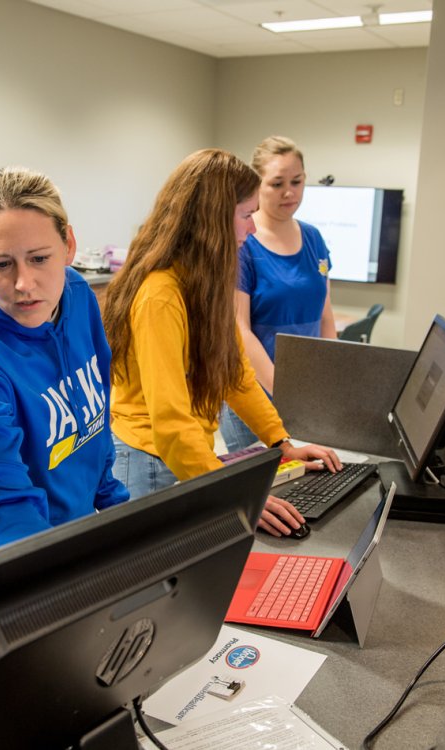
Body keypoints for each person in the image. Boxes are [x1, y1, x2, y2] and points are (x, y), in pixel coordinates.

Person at [103, 148, 342, 537]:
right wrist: (237, 495)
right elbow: (170, 422)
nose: (251, 228)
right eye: (246, 215)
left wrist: (281, 443)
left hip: (182, 451)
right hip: (147, 460)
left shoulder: (205, 281)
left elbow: (236, 375)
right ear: (213, 219)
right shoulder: (161, 295)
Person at [0, 167, 129, 554]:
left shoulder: (75, 293)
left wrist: (113, 505)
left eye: (39, 259)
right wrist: (44, 575)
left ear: (68, 244)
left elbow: (96, 420)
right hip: (13, 557)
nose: (24, 284)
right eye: (1, 264)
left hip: (74, 531)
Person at [220, 135, 337, 453]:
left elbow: (325, 318)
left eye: (297, 181)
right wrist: (285, 394)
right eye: (276, 184)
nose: (289, 192)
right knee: (263, 496)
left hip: (305, 396)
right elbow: (239, 331)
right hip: (255, 395)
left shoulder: (314, 238)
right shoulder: (244, 241)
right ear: (256, 186)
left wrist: (329, 382)